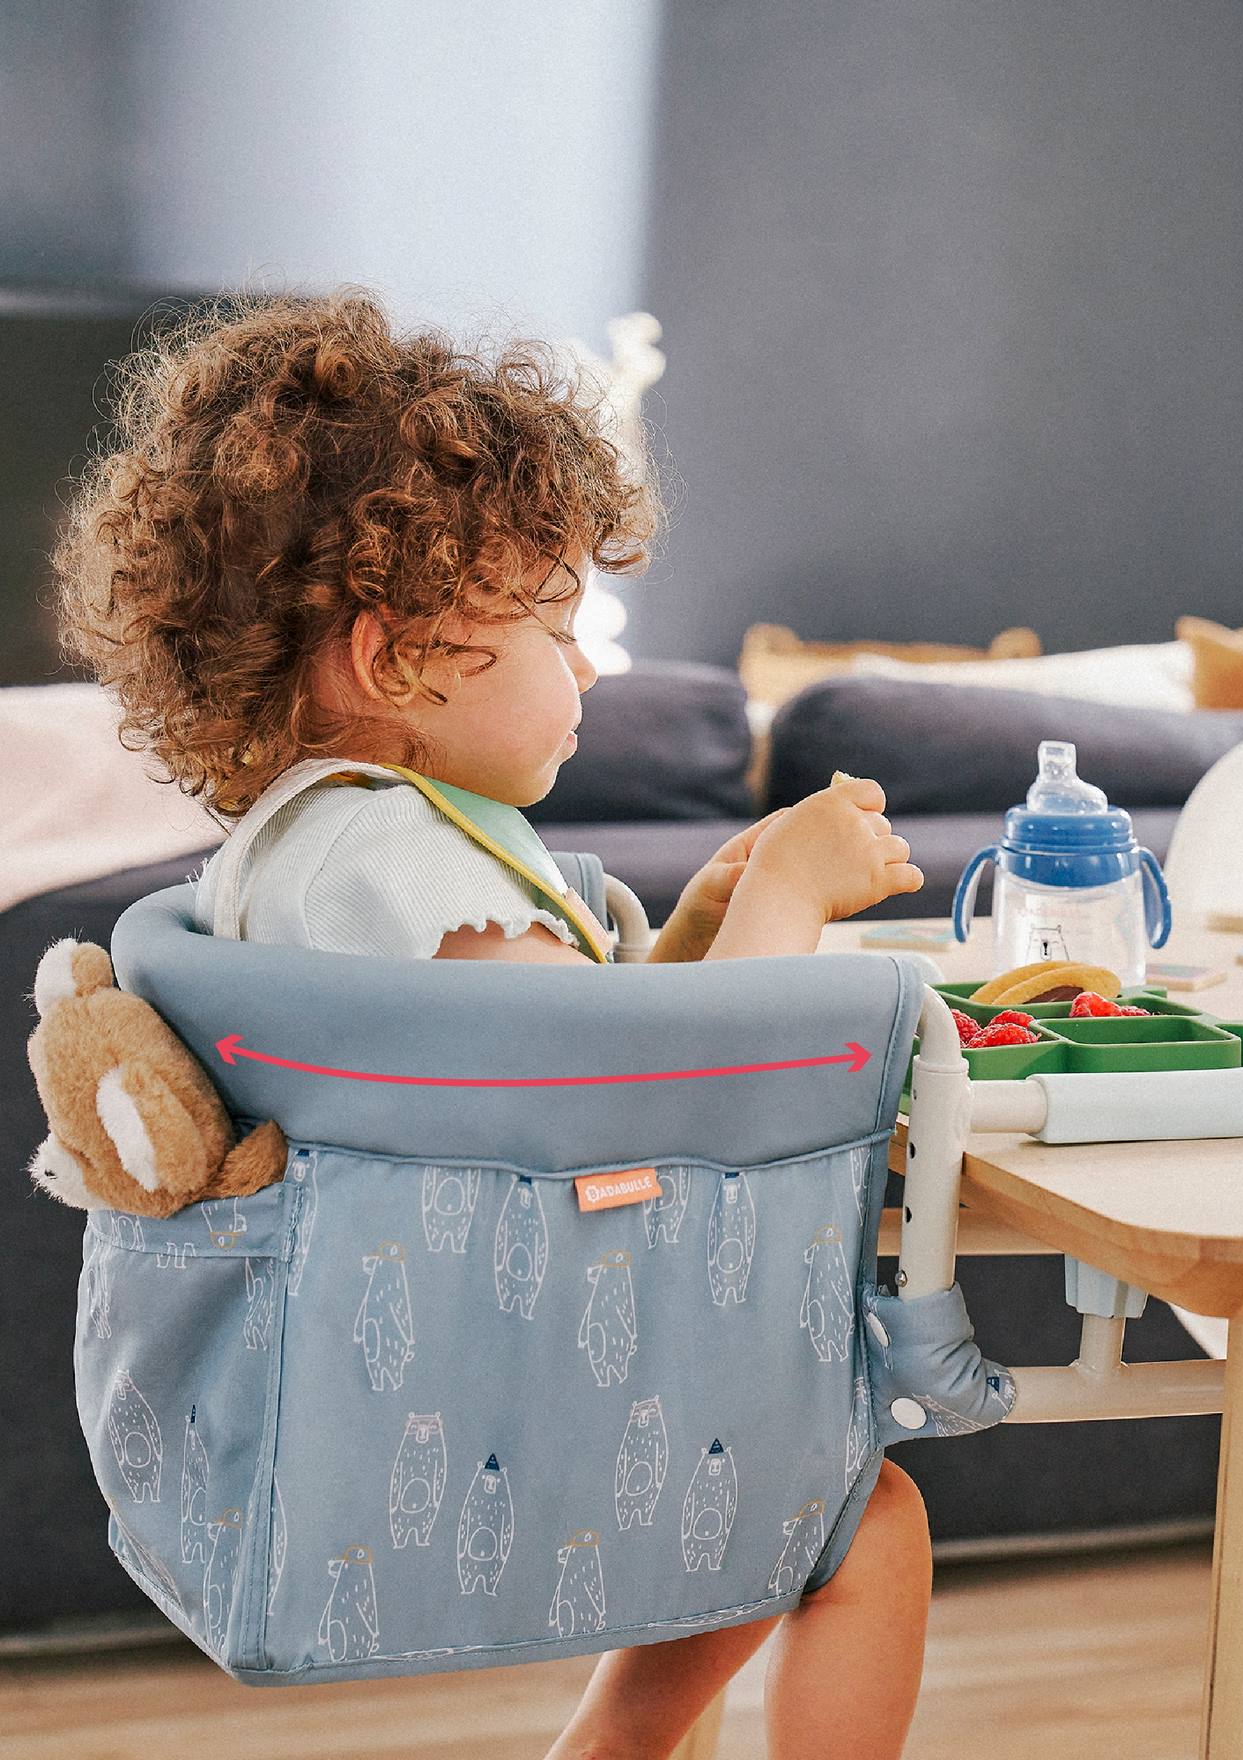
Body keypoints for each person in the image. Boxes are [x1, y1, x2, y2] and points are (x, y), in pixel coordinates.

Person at [51, 283, 932, 1759]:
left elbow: (541, 1064)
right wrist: (789, 890)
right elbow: (656, 1099)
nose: (588, 669)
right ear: (398, 659)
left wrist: (701, 931)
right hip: (489, 1396)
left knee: (757, 1501)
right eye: (555, 630)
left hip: (406, 1364)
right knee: (856, 1512)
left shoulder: (294, 839)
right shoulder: (409, 863)